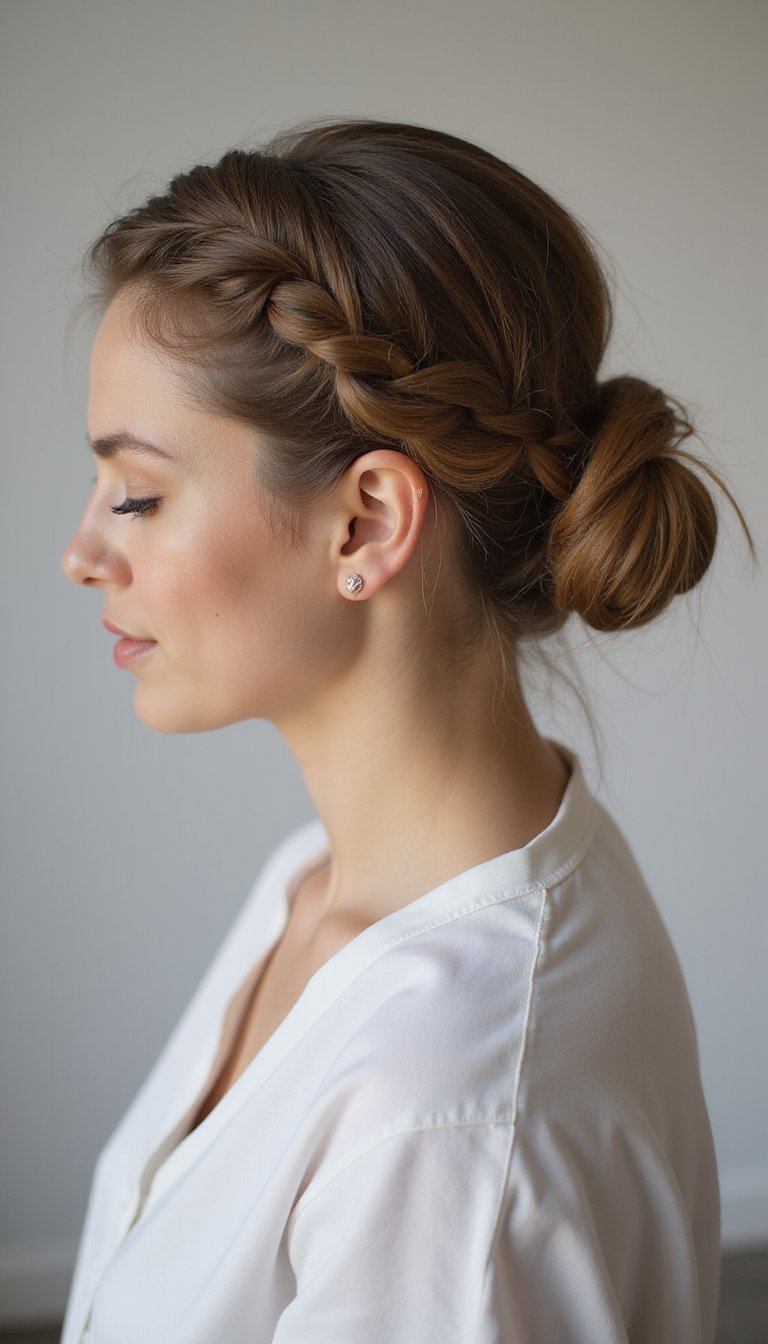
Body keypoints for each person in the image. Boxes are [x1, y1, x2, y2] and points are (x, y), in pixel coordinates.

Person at [59, 116, 754, 1344]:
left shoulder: (452, 1104)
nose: (83, 553)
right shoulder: (323, 885)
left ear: (369, 521)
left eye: (140, 494)